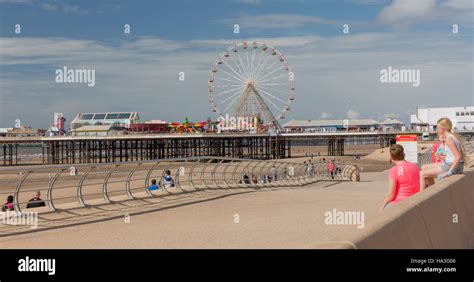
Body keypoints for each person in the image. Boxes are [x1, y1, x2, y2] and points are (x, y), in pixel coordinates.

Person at [420, 118, 466, 189]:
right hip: (454, 165)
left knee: (422, 174)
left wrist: (449, 172)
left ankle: (421, 196)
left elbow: (458, 156)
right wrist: (441, 157)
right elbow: (453, 156)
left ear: (442, 128)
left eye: (437, 128)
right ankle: (433, 191)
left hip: (453, 167)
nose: (437, 130)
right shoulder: (452, 137)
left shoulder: (449, 139)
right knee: (424, 168)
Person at [380, 144, 420, 211]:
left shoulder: (393, 171)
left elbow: (390, 195)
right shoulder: (414, 166)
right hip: (414, 199)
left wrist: (382, 207)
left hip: (399, 202)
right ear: (403, 154)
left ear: (391, 157)